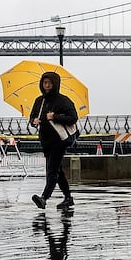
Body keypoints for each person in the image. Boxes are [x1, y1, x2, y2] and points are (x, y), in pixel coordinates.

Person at [29, 70, 78, 211]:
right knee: (58, 170)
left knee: (51, 170)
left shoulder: (64, 100)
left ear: (55, 84)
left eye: (49, 83)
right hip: (46, 140)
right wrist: (34, 121)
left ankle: (44, 198)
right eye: (44, 83)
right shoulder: (39, 100)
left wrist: (55, 116)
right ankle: (68, 198)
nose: (47, 86)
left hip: (60, 140)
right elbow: (32, 117)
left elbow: (73, 118)